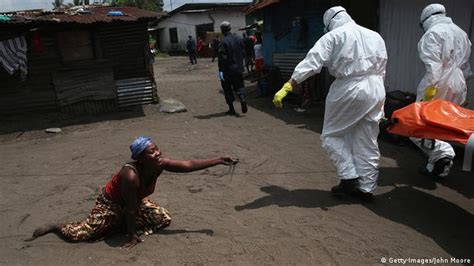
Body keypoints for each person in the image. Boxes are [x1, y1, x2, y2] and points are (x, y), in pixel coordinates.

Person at [29, 136, 237, 249]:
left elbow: (188, 164)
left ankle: (117, 227)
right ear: (140, 158)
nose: (158, 153)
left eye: (157, 149)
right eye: (151, 152)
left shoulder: (159, 163)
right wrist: (131, 235)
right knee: (81, 234)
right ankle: (57, 226)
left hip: (134, 203)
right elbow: (130, 208)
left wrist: (218, 159)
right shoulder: (130, 175)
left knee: (163, 218)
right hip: (111, 205)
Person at [272, 6, 387, 202]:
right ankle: (366, 189)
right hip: (376, 88)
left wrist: (289, 85)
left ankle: (348, 177)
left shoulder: (333, 36)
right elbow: (383, 66)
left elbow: (312, 61)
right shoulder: (375, 36)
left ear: (330, 22)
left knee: (332, 135)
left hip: (348, 88)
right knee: (367, 140)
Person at [411, 3, 472, 178]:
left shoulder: (432, 34)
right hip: (459, 83)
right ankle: (438, 168)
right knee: (446, 125)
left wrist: (430, 90)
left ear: (426, 20)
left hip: (439, 83)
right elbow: (466, 68)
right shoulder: (461, 33)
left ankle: (442, 153)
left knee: (419, 123)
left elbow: (433, 67)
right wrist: (462, 91)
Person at [218, 21, 248, 116]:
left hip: (228, 70)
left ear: (222, 30)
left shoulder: (223, 42)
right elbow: (243, 53)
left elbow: (222, 58)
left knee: (227, 89)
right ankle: (242, 99)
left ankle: (232, 109)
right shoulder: (239, 39)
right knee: (239, 86)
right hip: (238, 69)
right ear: (230, 28)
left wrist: (221, 70)